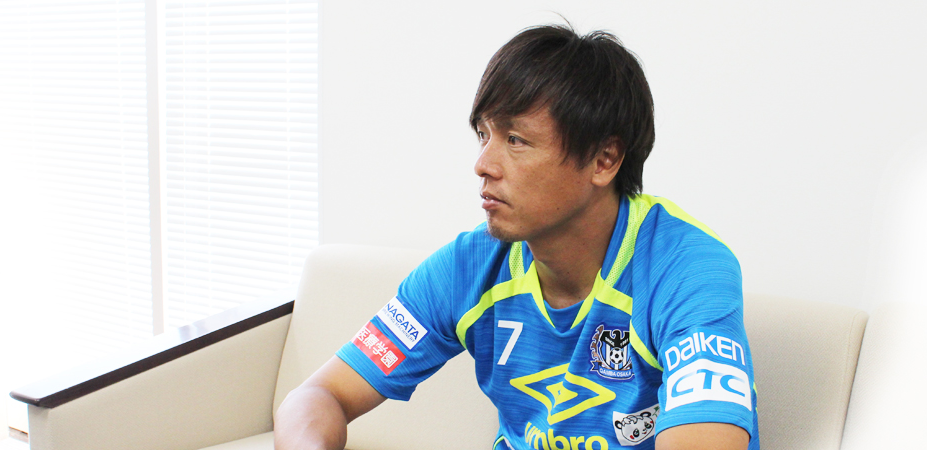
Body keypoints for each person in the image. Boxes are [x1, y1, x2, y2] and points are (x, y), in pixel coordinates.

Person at [274, 24, 758, 450]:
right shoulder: (469, 266)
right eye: (483, 135)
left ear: (604, 160)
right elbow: (318, 395)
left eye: (516, 140)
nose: (483, 164)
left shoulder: (687, 270)